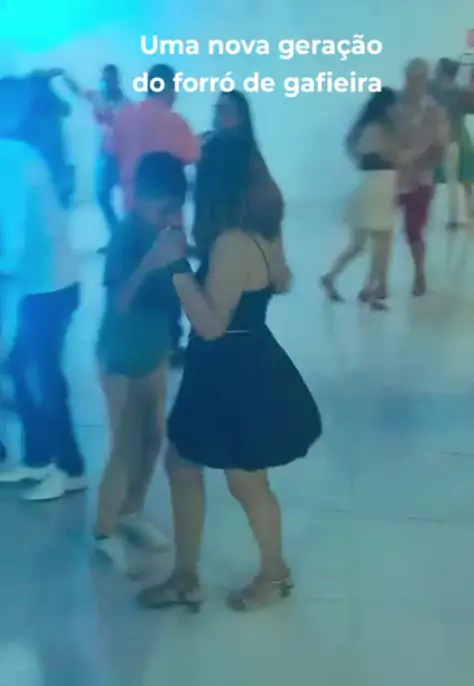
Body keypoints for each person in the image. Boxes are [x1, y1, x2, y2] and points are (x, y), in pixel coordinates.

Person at [126, 139, 322, 612]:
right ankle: (186, 576)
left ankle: (274, 573)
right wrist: (209, 263)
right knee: (184, 463)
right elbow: (282, 281)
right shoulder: (263, 229)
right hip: (246, 358)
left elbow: (210, 326)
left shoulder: (233, 242)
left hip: (232, 370)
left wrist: (178, 266)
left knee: (245, 482)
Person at [94, 153, 187, 573]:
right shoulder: (127, 235)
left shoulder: (166, 232)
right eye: (164, 208)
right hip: (120, 352)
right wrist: (152, 261)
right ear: (141, 197)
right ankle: (104, 529)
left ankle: (131, 511)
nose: (170, 216)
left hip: (153, 347)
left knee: (153, 436)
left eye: (175, 208)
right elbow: (121, 302)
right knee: (126, 442)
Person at [0, 77, 85, 501]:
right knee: (23, 368)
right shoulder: (20, 152)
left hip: (46, 286)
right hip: (49, 283)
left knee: (45, 378)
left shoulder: (9, 157)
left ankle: (70, 467)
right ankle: (37, 459)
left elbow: (12, 239)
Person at [110, 63, 200, 368]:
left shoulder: (125, 117)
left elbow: (111, 151)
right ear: (170, 88)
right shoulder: (176, 123)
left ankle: (133, 337)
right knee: (170, 280)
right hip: (167, 218)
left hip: (133, 211)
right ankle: (170, 345)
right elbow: (194, 156)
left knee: (134, 274)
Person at [321, 88, 405, 308]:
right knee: (381, 245)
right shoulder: (379, 129)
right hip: (380, 188)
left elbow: (359, 153)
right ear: (387, 107)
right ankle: (370, 291)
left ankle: (334, 278)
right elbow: (397, 156)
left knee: (359, 244)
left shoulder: (366, 128)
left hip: (371, 186)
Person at [62, 65, 129, 249]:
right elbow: (79, 92)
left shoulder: (126, 104)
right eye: (104, 79)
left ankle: (125, 237)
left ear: (116, 80)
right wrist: (65, 75)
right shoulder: (99, 97)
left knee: (128, 198)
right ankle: (117, 235)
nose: (106, 82)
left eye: (109, 79)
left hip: (123, 156)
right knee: (103, 196)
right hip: (107, 155)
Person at [398, 59, 449, 296]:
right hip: (393, 176)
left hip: (421, 181)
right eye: (410, 77)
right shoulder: (395, 105)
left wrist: (420, 163)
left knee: (414, 230)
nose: (413, 83)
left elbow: (440, 148)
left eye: (418, 78)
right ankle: (378, 281)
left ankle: (419, 274)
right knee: (378, 228)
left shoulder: (434, 111)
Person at [431, 58, 474, 228]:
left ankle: (458, 217)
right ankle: (460, 216)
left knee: (460, 179)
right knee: (461, 180)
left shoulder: (436, 90)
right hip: (453, 139)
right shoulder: (455, 92)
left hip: (451, 140)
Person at [23, 69, 75, 208]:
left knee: (51, 173)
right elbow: (66, 109)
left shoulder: (33, 101)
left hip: (42, 146)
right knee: (57, 171)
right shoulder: (49, 97)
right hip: (53, 143)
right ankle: (61, 199)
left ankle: (56, 199)